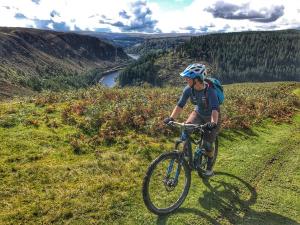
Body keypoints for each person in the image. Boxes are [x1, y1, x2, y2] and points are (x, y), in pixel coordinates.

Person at [164, 63, 221, 176]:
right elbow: (180, 105)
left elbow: (215, 109)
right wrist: (171, 118)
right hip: (198, 113)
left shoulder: (210, 91)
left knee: (207, 145)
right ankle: (184, 155)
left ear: (197, 79)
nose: (186, 80)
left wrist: (213, 123)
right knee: (186, 127)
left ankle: (209, 167)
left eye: (188, 78)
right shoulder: (188, 89)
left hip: (212, 116)